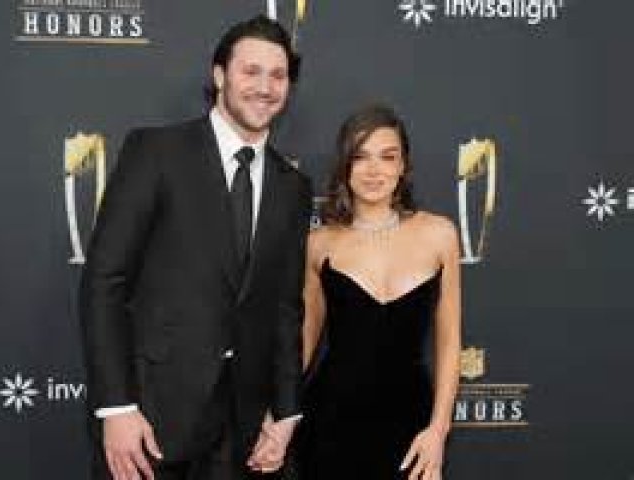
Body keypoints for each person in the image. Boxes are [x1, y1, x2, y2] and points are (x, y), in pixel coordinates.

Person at [79, 15, 312, 480]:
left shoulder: (293, 187)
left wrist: (286, 412)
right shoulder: (156, 152)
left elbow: (286, 309)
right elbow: (104, 281)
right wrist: (117, 407)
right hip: (148, 419)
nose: (265, 88)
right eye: (251, 71)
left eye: (278, 75)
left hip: (243, 430)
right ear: (220, 75)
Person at [296, 105, 461, 480]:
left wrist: (438, 430)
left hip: (413, 425)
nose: (374, 170)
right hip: (330, 424)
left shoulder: (440, 234)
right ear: (345, 166)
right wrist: (275, 413)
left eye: (388, 157)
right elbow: (303, 342)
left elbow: (450, 342)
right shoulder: (319, 243)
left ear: (403, 166)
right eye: (361, 157)